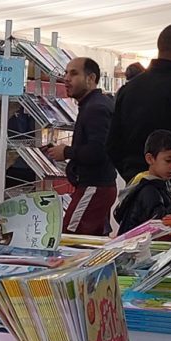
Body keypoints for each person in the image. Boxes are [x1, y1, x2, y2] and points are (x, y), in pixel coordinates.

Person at [106, 24, 171, 183]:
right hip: (168, 189)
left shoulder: (129, 88)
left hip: (133, 183)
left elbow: (112, 144)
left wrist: (133, 176)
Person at [45, 57, 116, 235]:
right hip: (97, 186)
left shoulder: (95, 108)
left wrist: (67, 152)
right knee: (88, 240)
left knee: (70, 237)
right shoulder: (94, 104)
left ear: (91, 79)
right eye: (66, 73)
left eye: (74, 73)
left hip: (94, 186)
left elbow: (99, 150)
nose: (66, 78)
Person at [113, 130, 171, 233]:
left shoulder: (166, 184)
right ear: (150, 159)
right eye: (168, 160)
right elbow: (161, 224)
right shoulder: (148, 190)